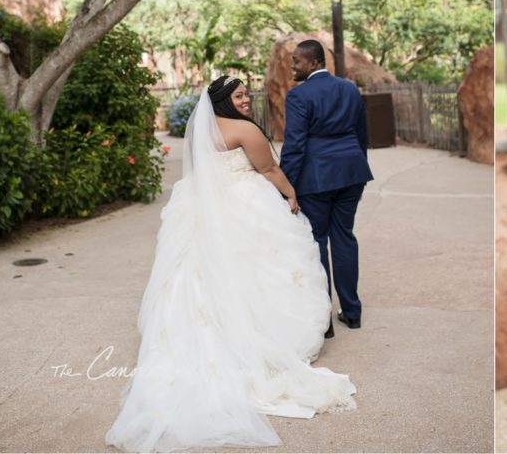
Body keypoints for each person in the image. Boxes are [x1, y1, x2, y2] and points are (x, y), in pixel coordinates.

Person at [106, 76, 355, 453]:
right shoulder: (244, 130)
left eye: (245, 95)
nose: (246, 100)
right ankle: (257, 338)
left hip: (205, 207)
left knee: (202, 272)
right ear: (222, 100)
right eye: (239, 96)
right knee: (258, 270)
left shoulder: (202, 132)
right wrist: (291, 197)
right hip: (244, 204)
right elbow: (269, 171)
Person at [280, 39, 373, 336]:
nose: (292, 66)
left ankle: (325, 322)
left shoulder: (298, 96)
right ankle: (352, 311)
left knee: (318, 240)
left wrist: (285, 184)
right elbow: (362, 135)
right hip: (351, 172)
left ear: (314, 63)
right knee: (344, 237)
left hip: (316, 179)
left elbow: (295, 145)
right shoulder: (349, 88)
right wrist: (358, 170)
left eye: (297, 61)